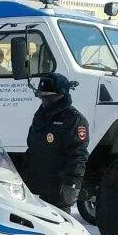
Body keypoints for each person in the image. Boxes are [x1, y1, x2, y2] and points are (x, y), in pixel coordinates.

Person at [24, 73, 88, 210]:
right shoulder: (40, 115)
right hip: (37, 185)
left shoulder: (74, 120)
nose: (46, 102)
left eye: (50, 97)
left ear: (61, 96)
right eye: (43, 97)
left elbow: (78, 155)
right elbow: (32, 148)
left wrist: (72, 185)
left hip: (58, 190)